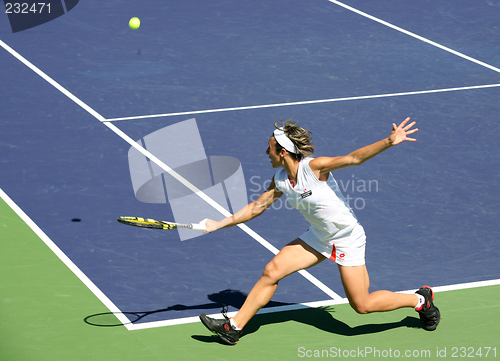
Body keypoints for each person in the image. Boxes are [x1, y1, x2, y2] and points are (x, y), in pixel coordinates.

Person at [199, 117, 440, 345]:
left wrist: (389, 141)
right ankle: (234, 327)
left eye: (269, 148)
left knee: (362, 305)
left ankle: (420, 300)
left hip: (347, 238)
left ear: (282, 152)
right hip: (319, 236)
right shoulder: (281, 179)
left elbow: (354, 159)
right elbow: (255, 208)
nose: (266, 152)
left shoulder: (314, 168)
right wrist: (218, 223)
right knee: (272, 271)